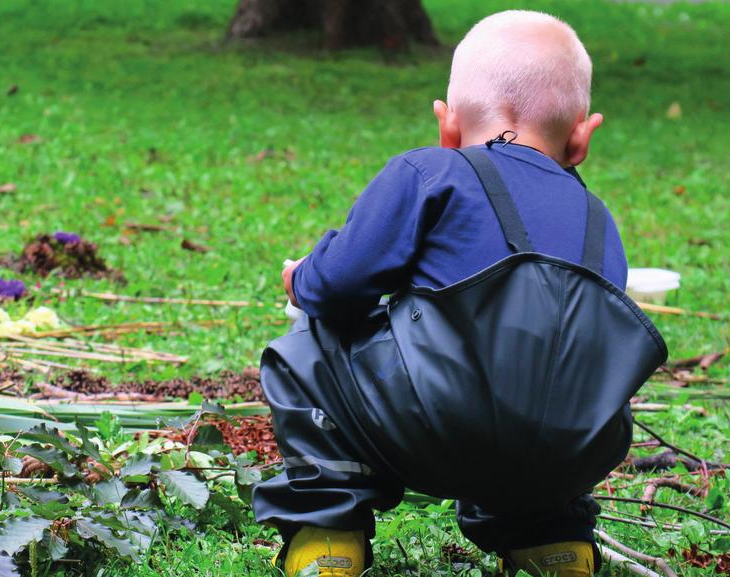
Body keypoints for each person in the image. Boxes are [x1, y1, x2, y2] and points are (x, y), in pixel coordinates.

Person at [252, 10, 668, 577]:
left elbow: (337, 286)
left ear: (447, 126)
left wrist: (301, 278)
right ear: (581, 134)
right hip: (577, 448)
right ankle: (554, 539)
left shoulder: (431, 173)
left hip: (430, 428)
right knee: (540, 384)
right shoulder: (599, 221)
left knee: (310, 346)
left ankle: (328, 535)